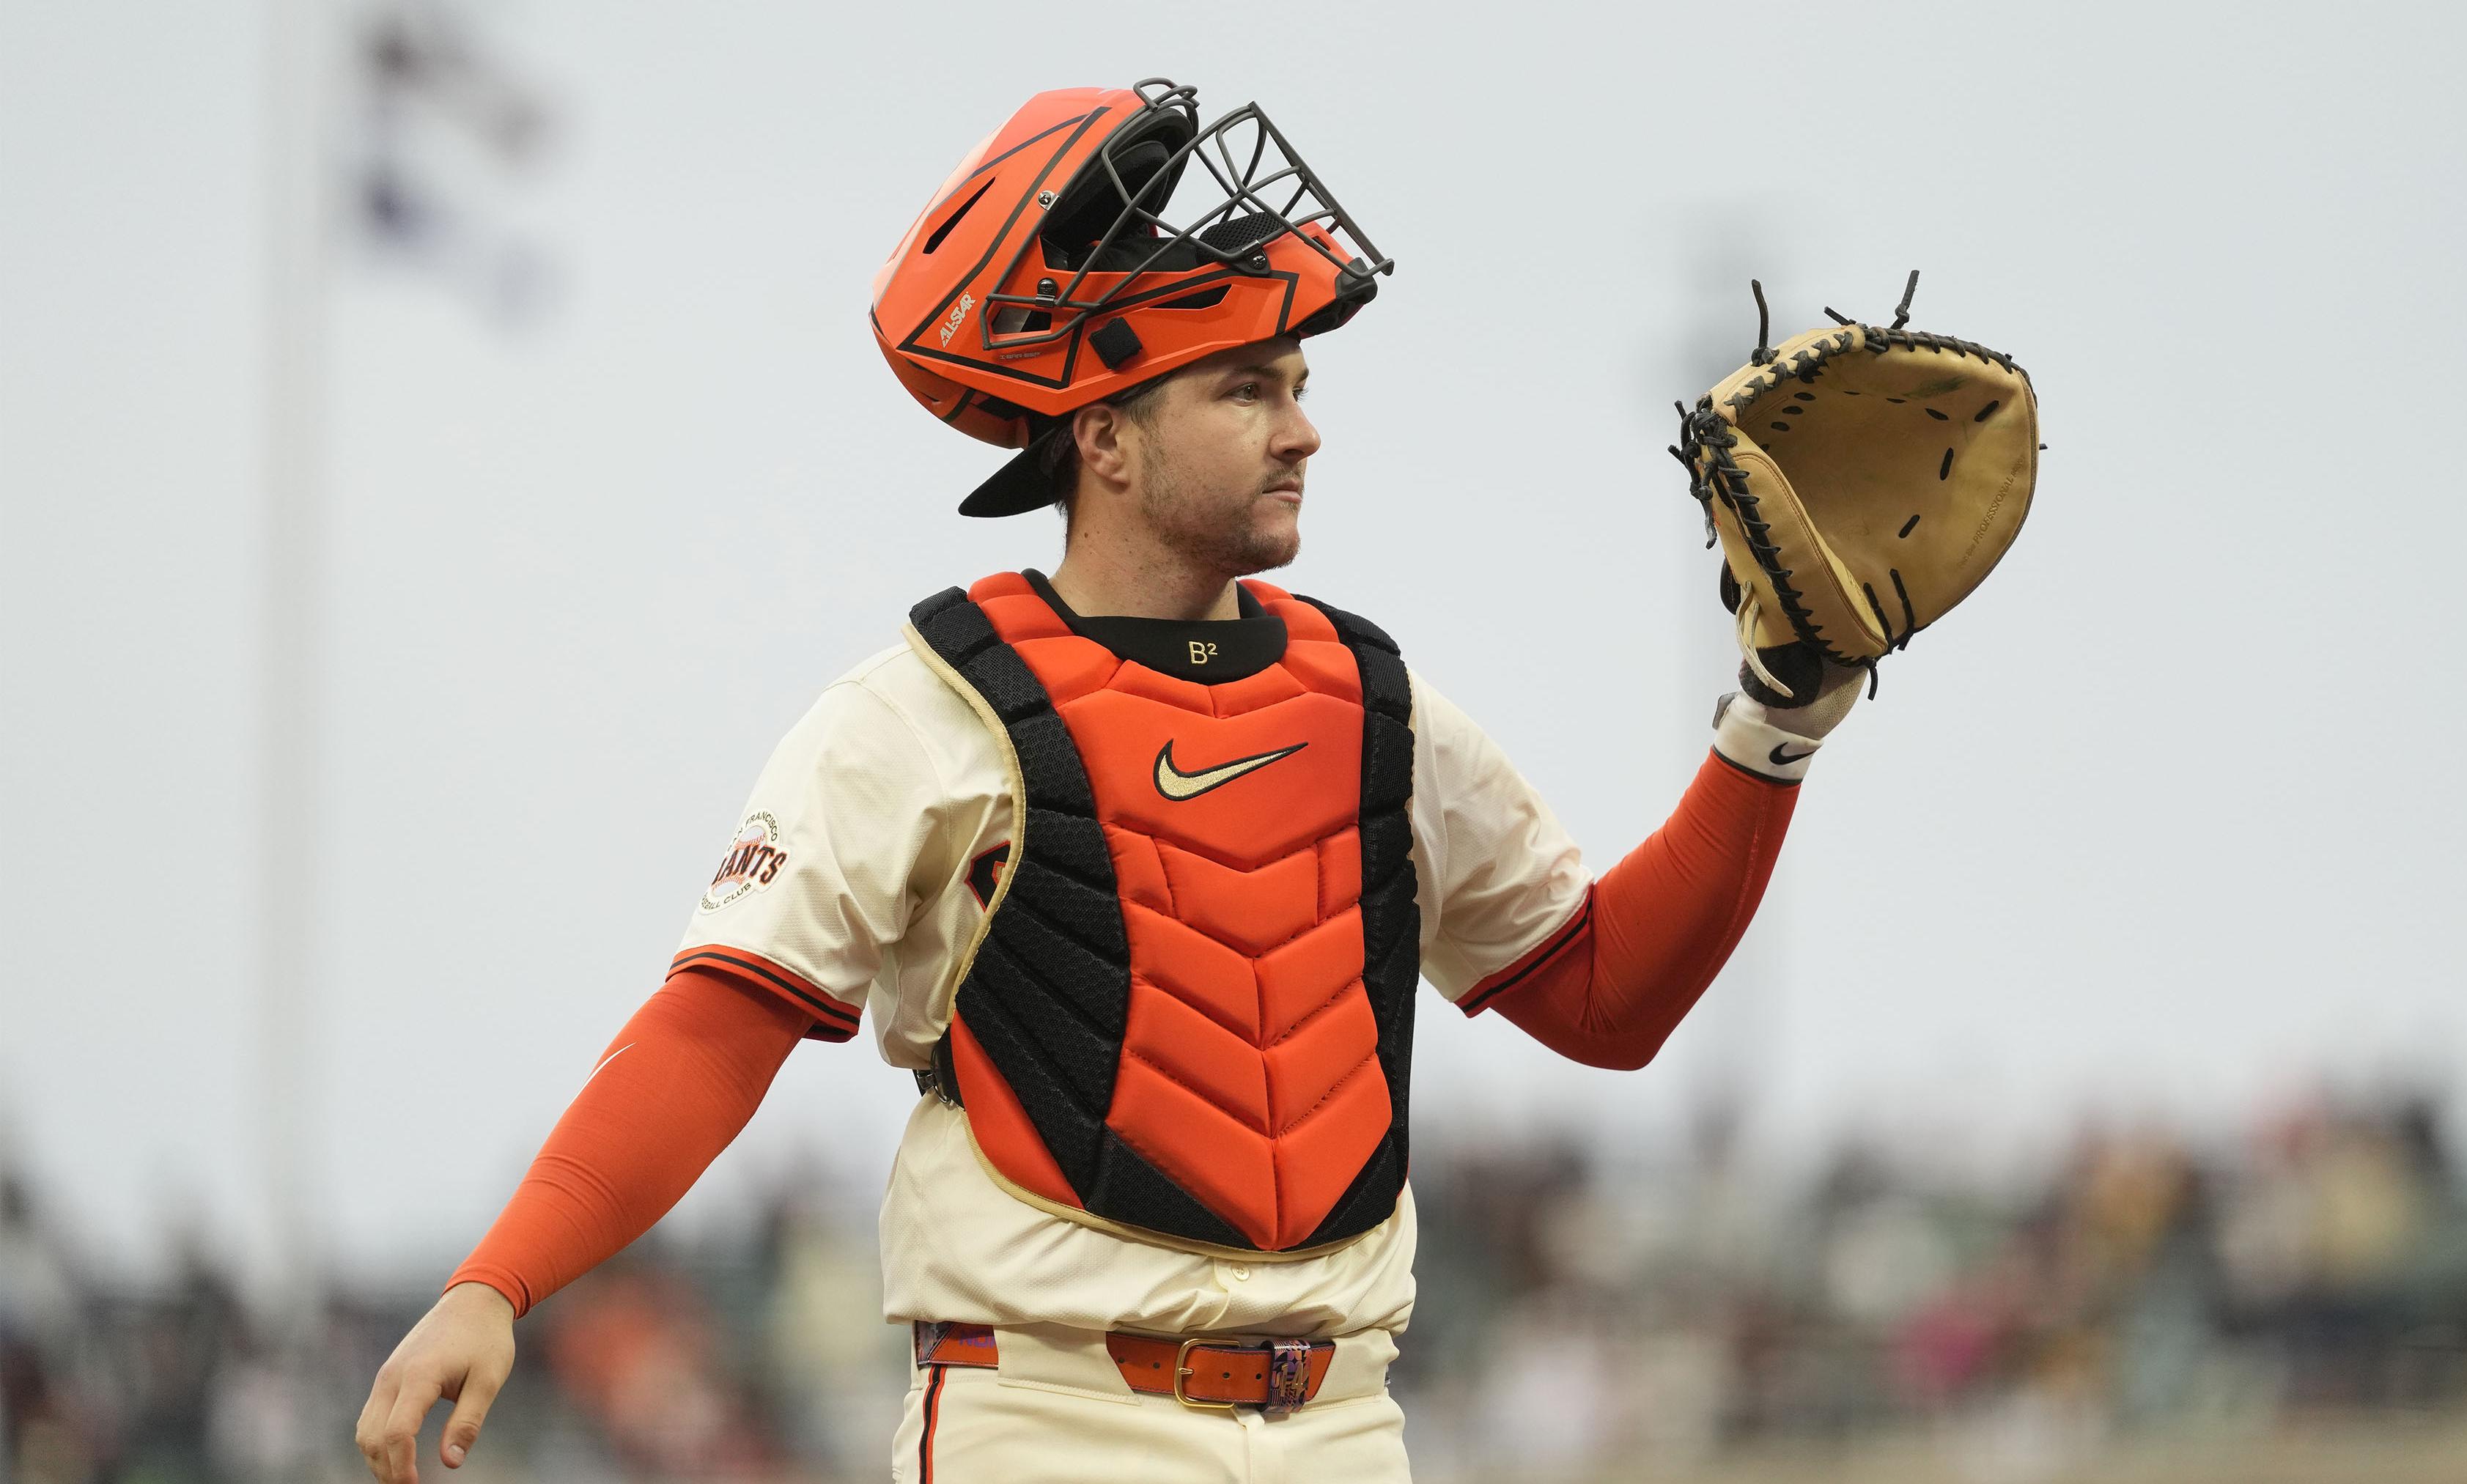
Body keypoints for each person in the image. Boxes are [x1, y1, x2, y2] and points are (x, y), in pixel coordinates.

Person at [353, 76, 1865, 1483]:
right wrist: (502, 1277)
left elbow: (1603, 999)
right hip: (1051, 1415)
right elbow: (719, 1022)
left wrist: (1773, 723)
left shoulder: (1376, 700)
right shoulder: (929, 710)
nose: (1304, 425)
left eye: (1298, 379)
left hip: (1342, 1419)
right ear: (1107, 437)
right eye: (1249, 390)